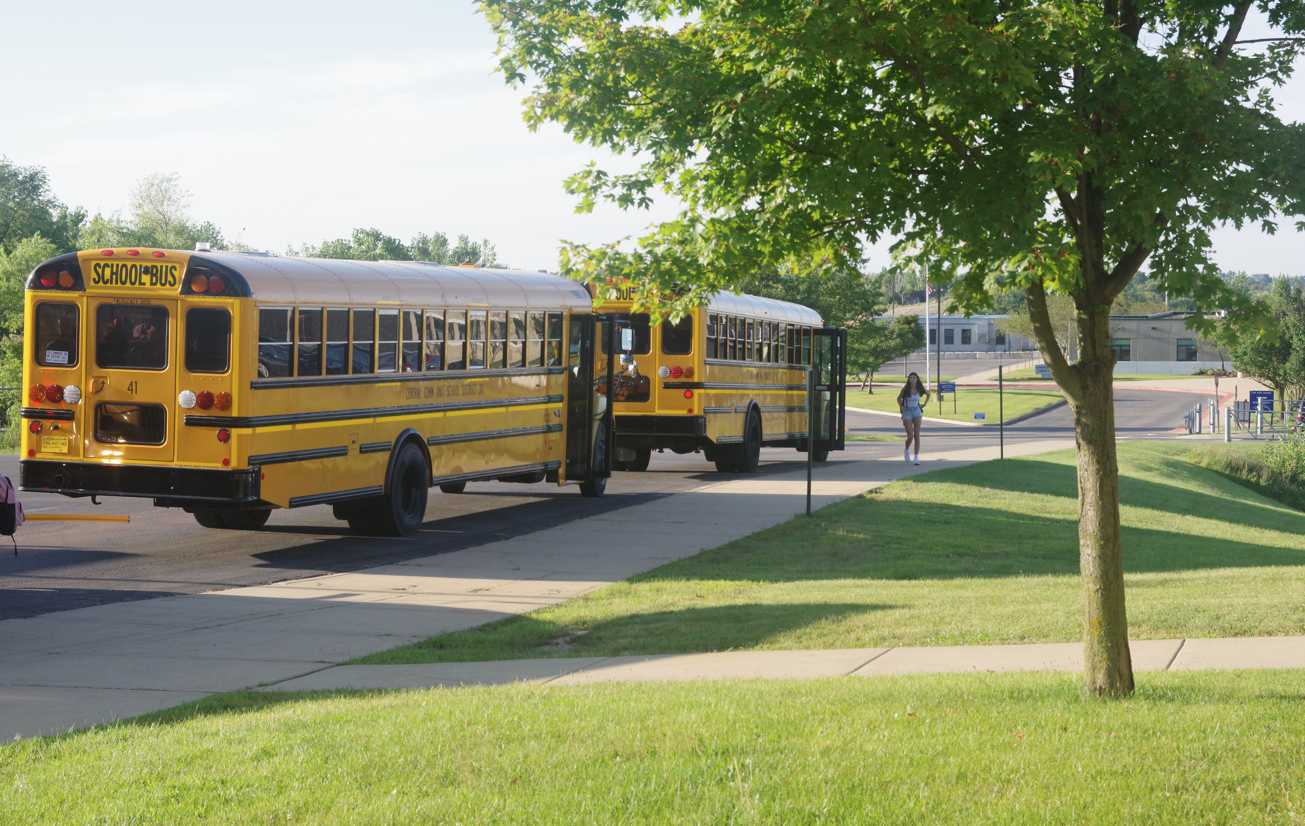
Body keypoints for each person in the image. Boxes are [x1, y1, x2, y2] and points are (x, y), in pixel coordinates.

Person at [897, 372, 931, 465]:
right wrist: (901, 407)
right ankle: (906, 450)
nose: (912, 379)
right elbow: (898, 398)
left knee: (917, 435)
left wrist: (924, 403)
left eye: (914, 378)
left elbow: (928, 394)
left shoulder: (920, 389)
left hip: (917, 411)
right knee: (910, 437)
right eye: (911, 378)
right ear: (909, 379)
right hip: (907, 411)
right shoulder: (905, 389)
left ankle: (916, 457)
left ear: (917, 379)